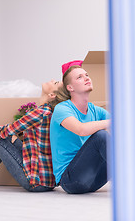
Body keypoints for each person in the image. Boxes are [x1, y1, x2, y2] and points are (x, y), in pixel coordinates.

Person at [50, 65, 111, 194]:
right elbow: (81, 129)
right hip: (71, 180)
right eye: (79, 77)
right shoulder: (62, 109)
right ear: (70, 88)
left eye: (87, 75)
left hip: (94, 179)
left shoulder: (95, 110)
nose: (86, 78)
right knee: (101, 136)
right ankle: (130, 181)